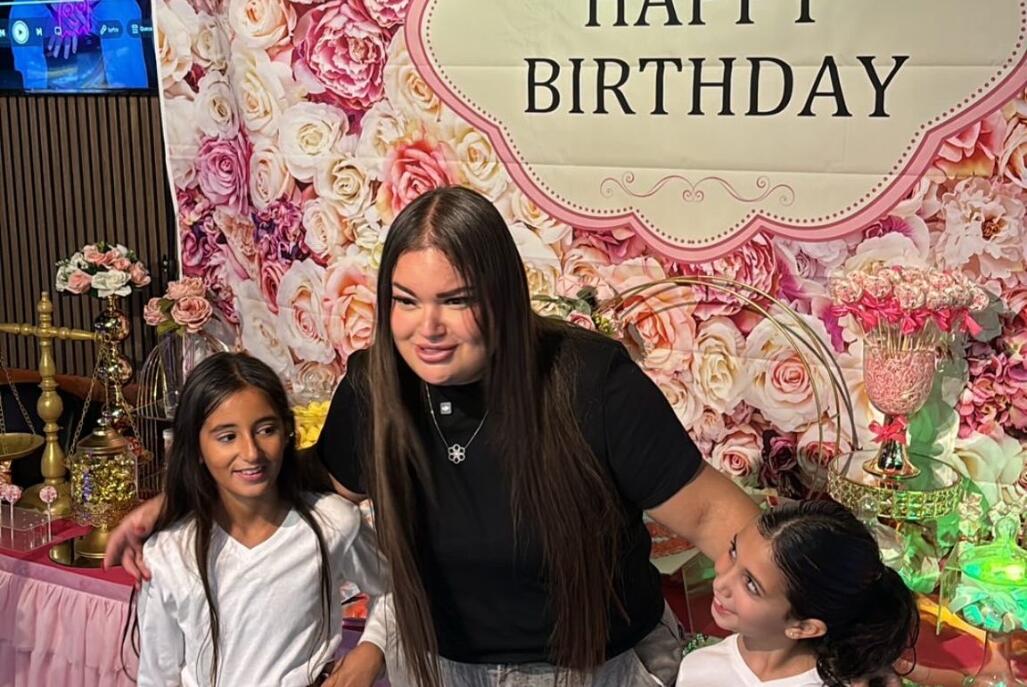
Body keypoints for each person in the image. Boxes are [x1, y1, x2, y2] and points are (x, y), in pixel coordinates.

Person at [108, 186, 894, 687]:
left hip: (595, 667)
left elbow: (721, 518)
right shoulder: (375, 385)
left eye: (455, 300)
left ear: (502, 296)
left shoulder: (589, 380)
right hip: (438, 666)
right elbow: (310, 479)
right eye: (405, 300)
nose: (426, 328)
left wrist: (840, 646)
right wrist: (176, 502)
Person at [133, 352, 386, 686]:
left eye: (266, 430)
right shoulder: (168, 553)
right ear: (196, 447)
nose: (251, 453)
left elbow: (397, 592)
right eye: (227, 437)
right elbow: (157, 677)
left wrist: (372, 651)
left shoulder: (332, 523)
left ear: (288, 432)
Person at [676, 500, 919, 687]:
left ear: (804, 627)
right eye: (733, 551)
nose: (721, 583)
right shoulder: (698, 669)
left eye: (751, 584)